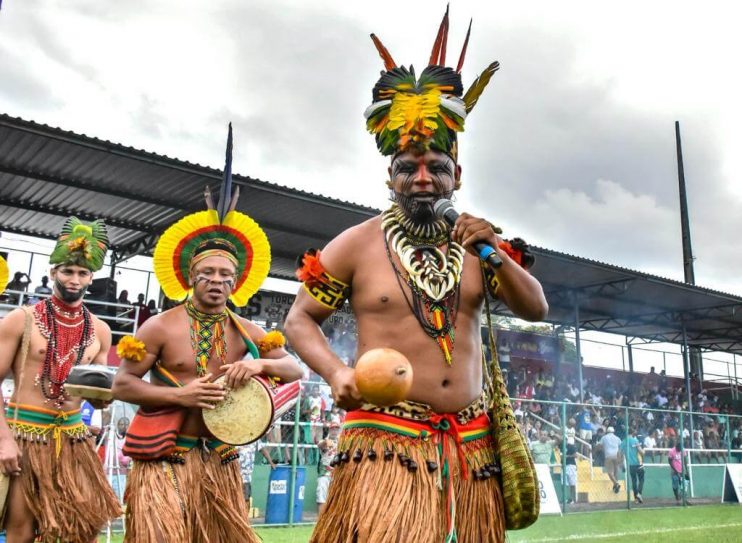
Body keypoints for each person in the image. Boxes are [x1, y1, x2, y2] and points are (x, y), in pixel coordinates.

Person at [284, 10, 548, 542]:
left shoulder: (481, 243)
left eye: (437, 167)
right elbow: (299, 321)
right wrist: (338, 374)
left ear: (458, 175)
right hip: (387, 441)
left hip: (471, 448)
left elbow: (536, 308)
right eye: (409, 167)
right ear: (390, 175)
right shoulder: (356, 244)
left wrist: (493, 249)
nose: (422, 179)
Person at [112, 149, 303, 543]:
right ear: (190, 277)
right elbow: (122, 385)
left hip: (220, 461)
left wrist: (259, 366)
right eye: (207, 273)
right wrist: (182, 396)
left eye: (225, 275)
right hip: (166, 459)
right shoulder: (158, 327)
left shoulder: (248, 330)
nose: (216, 280)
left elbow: (295, 370)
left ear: (236, 282)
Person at [0, 217, 121, 542]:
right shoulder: (20, 320)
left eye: (82, 273)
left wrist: (101, 398)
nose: (74, 278)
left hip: (73, 439)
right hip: (24, 435)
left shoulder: (100, 331)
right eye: (67, 271)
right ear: (53, 272)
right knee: (21, 530)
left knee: (83, 528)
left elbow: (96, 392)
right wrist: (3, 439)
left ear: (91, 278)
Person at [621, 427, 645, 503]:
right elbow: (641, 452)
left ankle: (636, 499)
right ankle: (639, 494)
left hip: (630, 465)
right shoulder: (635, 440)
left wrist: (622, 464)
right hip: (638, 463)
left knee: (634, 480)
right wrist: (644, 450)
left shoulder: (623, 442)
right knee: (641, 479)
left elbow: (620, 453)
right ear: (632, 433)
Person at [598, 426, 623, 493]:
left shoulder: (604, 437)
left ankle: (616, 483)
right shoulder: (617, 438)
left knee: (609, 472)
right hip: (616, 455)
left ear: (607, 431)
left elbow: (599, 445)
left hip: (608, 456)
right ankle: (615, 485)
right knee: (616, 471)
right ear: (613, 432)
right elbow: (621, 447)